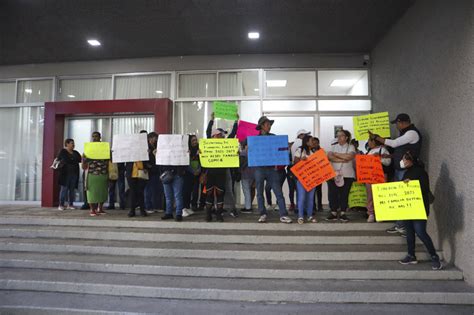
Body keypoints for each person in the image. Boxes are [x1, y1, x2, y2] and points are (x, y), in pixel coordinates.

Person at [369, 113, 422, 235]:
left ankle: (405, 227)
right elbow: (401, 150)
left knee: (404, 199)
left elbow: (394, 144)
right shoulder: (405, 134)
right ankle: (400, 224)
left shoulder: (411, 133)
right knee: (399, 198)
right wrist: (389, 156)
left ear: (402, 122)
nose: (396, 126)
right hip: (400, 169)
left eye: (397, 124)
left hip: (407, 170)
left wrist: (376, 137)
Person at [397, 151, 442, 270]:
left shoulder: (421, 172)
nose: (402, 161)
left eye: (404, 159)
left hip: (419, 207)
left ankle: (434, 256)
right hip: (408, 206)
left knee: (421, 232)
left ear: (410, 160)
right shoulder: (407, 172)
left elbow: (424, 189)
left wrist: (411, 184)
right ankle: (411, 255)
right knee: (410, 232)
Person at [252, 116, 292, 224]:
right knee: (259, 192)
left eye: (270, 124)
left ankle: (283, 214)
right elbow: (250, 152)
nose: (269, 126)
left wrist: (285, 148)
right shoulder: (254, 140)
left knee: (278, 192)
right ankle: (262, 214)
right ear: (261, 126)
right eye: (267, 124)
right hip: (259, 169)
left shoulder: (274, 137)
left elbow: (279, 151)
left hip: (271, 169)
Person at [206, 112, 239, 218]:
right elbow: (207, 132)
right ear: (214, 136)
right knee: (213, 191)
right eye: (219, 134)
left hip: (225, 170)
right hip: (213, 171)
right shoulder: (209, 143)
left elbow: (233, 133)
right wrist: (211, 120)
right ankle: (216, 210)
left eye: (222, 135)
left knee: (228, 190)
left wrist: (236, 121)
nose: (221, 136)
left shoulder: (225, 144)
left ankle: (232, 209)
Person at [326, 129, 356, 222]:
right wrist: (342, 158)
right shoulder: (333, 147)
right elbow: (329, 156)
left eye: (341, 135)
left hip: (348, 174)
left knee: (344, 194)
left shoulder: (351, 147)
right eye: (337, 136)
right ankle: (333, 212)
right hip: (333, 174)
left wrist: (336, 155)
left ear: (346, 137)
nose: (338, 137)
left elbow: (349, 157)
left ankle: (343, 212)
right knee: (333, 194)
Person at [365, 135, 391, 223]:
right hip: (369, 176)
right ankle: (371, 213)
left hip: (380, 175)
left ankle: (381, 214)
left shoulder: (383, 150)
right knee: (370, 196)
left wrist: (379, 159)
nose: (368, 143)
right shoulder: (369, 151)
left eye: (369, 141)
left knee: (380, 194)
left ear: (374, 141)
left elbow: (388, 162)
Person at [82, 132, 109, 217]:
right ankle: (92, 209)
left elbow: (108, 160)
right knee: (91, 192)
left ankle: (100, 208)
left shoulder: (104, 148)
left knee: (102, 191)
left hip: (103, 173)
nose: (94, 138)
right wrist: (84, 159)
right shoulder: (88, 149)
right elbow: (84, 163)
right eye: (93, 136)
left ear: (100, 137)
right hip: (91, 173)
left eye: (96, 136)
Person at [156, 148, 186, 222]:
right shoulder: (164, 149)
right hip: (167, 174)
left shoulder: (180, 148)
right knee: (169, 196)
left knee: (176, 196)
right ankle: (169, 213)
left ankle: (178, 214)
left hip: (176, 174)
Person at [293, 134, 318, 224]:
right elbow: (295, 162)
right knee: (302, 197)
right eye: (311, 140)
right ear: (307, 142)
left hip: (312, 178)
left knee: (311, 198)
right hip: (301, 178)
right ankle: (300, 216)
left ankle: (310, 216)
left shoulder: (314, 151)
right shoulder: (300, 150)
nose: (313, 142)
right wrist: (301, 160)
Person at [57, 138, 81, 210]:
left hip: (74, 174)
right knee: (64, 189)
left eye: (73, 143)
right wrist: (73, 160)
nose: (73, 145)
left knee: (72, 190)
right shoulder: (63, 151)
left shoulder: (75, 152)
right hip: (65, 174)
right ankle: (61, 205)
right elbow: (65, 159)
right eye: (71, 143)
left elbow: (79, 159)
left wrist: (72, 160)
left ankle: (70, 204)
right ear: (67, 144)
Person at [182, 134, 202, 217]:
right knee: (187, 191)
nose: (195, 142)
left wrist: (199, 170)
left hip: (197, 173)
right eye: (193, 140)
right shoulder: (187, 150)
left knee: (195, 190)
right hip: (188, 174)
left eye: (196, 140)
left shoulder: (199, 149)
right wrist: (193, 171)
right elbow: (186, 163)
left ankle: (191, 206)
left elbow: (202, 162)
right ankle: (184, 207)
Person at [144, 132, 164, 214]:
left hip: (157, 170)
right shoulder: (146, 147)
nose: (155, 140)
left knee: (158, 189)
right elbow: (144, 159)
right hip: (149, 171)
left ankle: (157, 206)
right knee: (148, 190)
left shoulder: (157, 146)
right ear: (150, 138)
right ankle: (148, 206)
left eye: (156, 138)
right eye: (154, 138)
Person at [239, 141, 255, 214]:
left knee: (246, 191)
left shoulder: (243, 153)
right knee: (251, 190)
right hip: (253, 174)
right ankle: (248, 206)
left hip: (245, 174)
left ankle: (248, 207)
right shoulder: (254, 153)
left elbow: (241, 164)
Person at [311, 137, 323, 212]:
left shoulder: (321, 151)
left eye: (316, 143)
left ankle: (320, 205)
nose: (314, 144)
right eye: (313, 143)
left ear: (318, 143)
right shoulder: (309, 151)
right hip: (311, 174)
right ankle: (313, 206)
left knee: (319, 190)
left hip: (319, 173)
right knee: (312, 191)